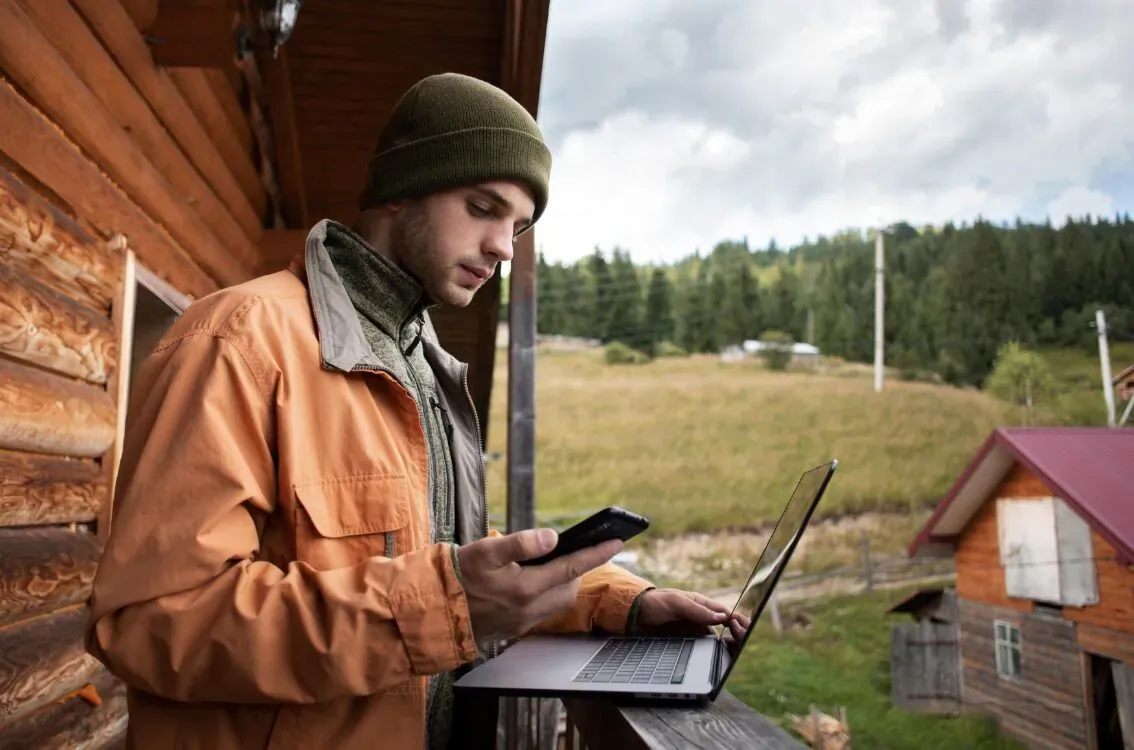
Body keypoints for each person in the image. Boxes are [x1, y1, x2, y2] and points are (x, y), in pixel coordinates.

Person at [85, 72, 742, 750]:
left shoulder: (428, 371)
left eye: (518, 227)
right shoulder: (238, 338)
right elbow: (149, 621)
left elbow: (450, 576)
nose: (505, 248)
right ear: (403, 187)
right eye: (484, 207)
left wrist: (618, 602)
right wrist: (444, 604)